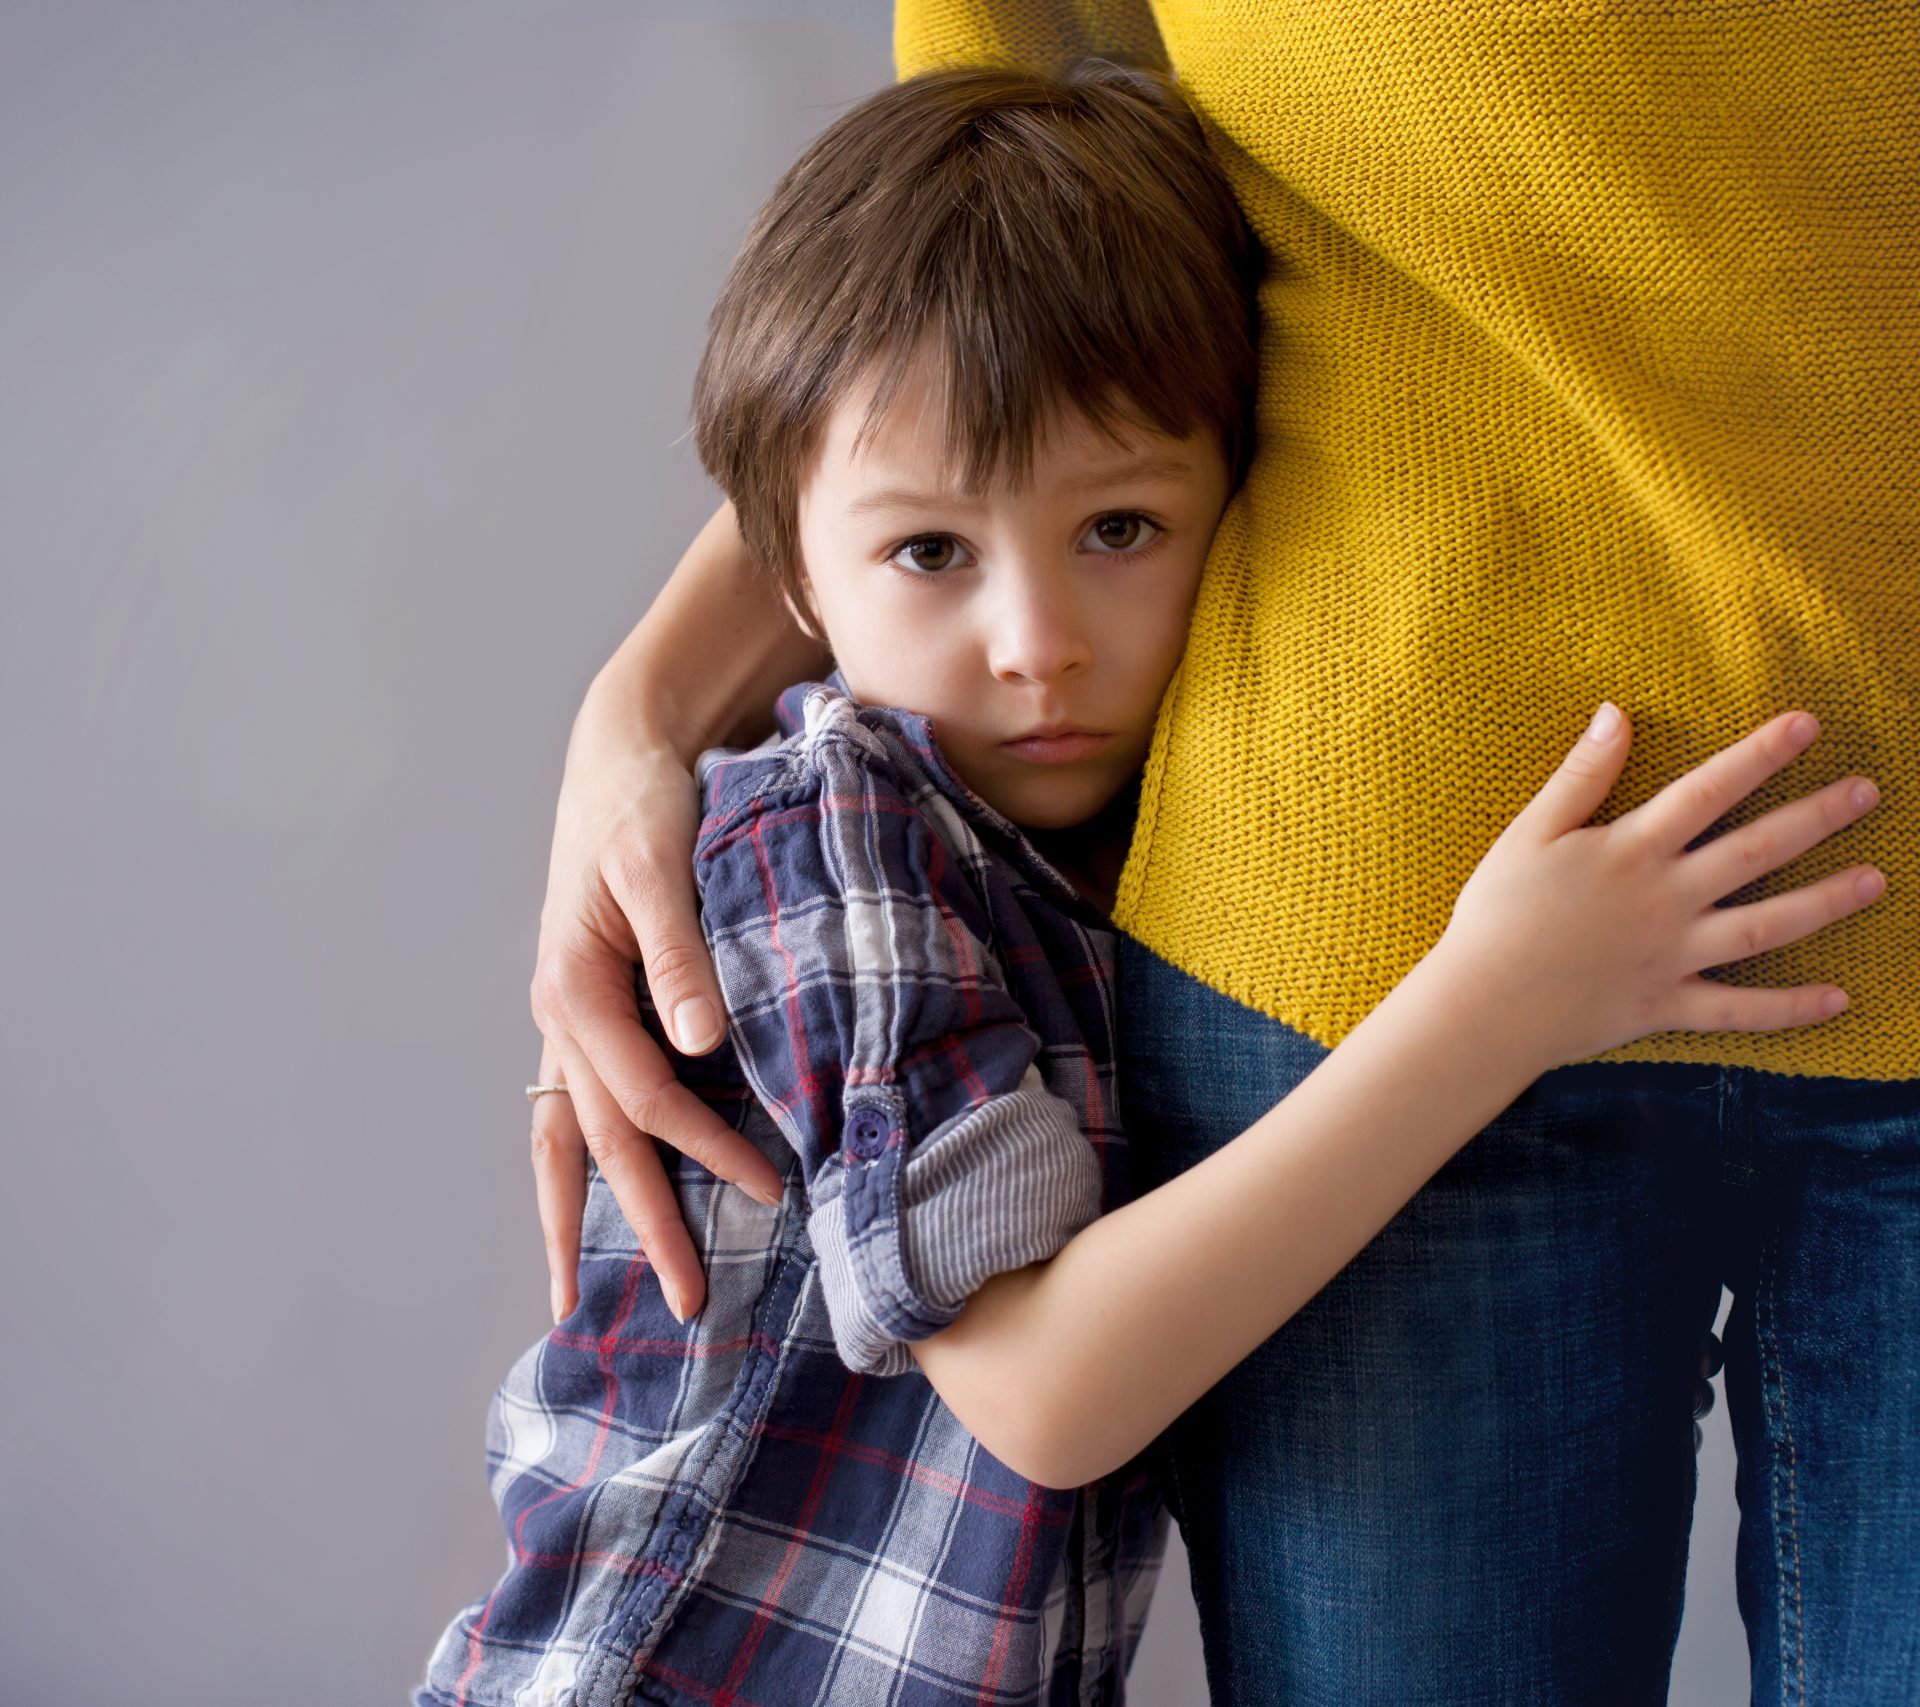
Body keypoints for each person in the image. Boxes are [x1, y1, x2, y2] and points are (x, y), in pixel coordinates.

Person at [420, 64, 1884, 1707]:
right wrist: (1493, 1007)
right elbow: (1046, 1387)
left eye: (1119, 527)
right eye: (929, 555)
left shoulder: (1051, 829)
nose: (1038, 643)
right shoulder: (831, 850)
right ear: (790, 585)